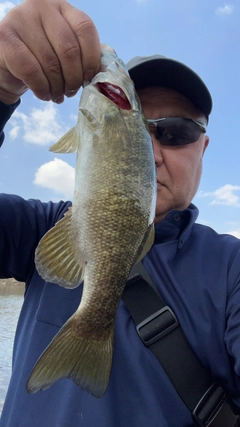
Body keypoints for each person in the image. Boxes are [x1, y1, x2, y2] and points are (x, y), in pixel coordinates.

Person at [0, 1, 240, 426]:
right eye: (135, 125)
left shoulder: (231, 270)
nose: (149, 151)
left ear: (203, 148)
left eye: (176, 132)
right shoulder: (41, 228)